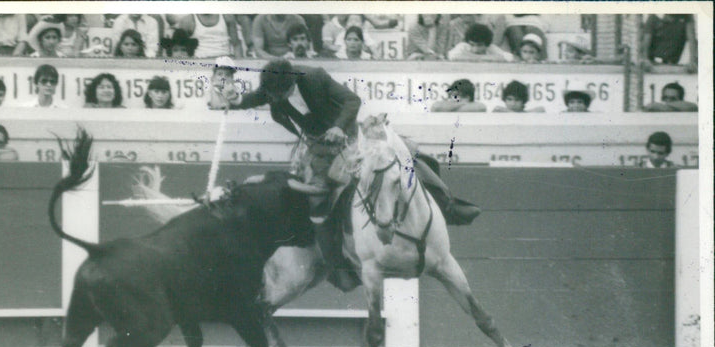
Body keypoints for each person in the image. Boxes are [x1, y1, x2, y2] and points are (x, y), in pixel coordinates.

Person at [222, 59, 478, 286]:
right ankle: (337, 264)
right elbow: (251, 99)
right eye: (272, 95)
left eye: (280, 94)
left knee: (412, 155)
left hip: (351, 136)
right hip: (320, 150)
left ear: (291, 85)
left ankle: (449, 205)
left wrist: (338, 127)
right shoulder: (273, 87)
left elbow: (352, 100)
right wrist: (234, 100)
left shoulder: (315, 77)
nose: (275, 100)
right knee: (318, 200)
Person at [174, 14, 241, 58]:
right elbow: (180, 48)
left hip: (224, 61)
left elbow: (236, 44)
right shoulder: (187, 20)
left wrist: (239, 65)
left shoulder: (227, 17)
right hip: (199, 61)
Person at [447, 23, 514, 62]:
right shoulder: (463, 46)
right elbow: (451, 56)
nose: (475, 49)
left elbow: (509, 58)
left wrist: (473, 57)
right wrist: (484, 58)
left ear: (487, 44)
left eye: (480, 45)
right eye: (472, 45)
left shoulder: (491, 47)